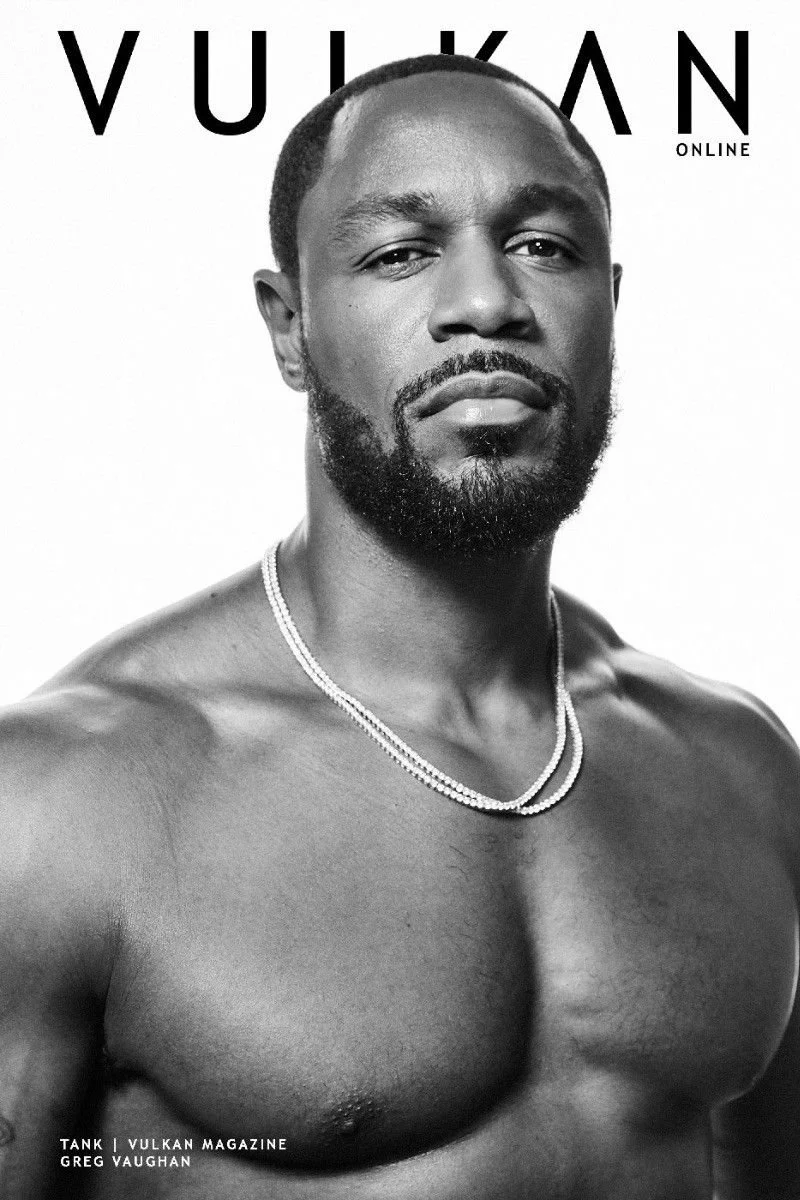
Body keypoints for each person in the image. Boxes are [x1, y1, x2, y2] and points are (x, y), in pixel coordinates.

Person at [0, 52, 798, 1200]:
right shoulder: (66, 806)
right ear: (289, 329)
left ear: (610, 308)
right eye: (398, 254)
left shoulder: (736, 771)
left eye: (544, 247)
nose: (486, 303)